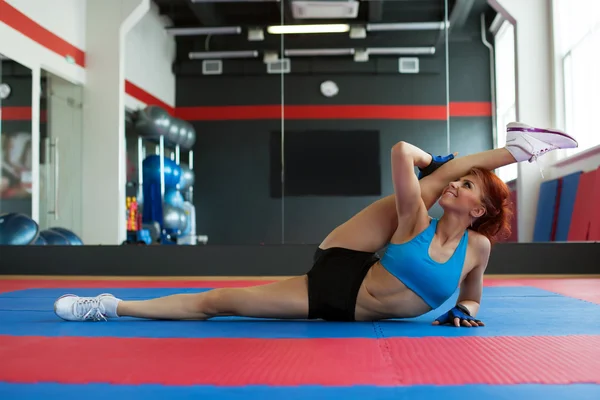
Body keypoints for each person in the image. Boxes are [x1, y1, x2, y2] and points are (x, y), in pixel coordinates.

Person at [53, 122, 578, 327]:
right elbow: (399, 150)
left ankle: (515, 148)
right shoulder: (418, 213)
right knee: (218, 302)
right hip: (339, 276)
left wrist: (465, 309)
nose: (456, 188)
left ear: (480, 211)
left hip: (353, 306)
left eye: (467, 189)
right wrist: (430, 164)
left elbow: (474, 291)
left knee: (423, 188)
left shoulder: (477, 252)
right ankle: (108, 306)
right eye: (459, 181)